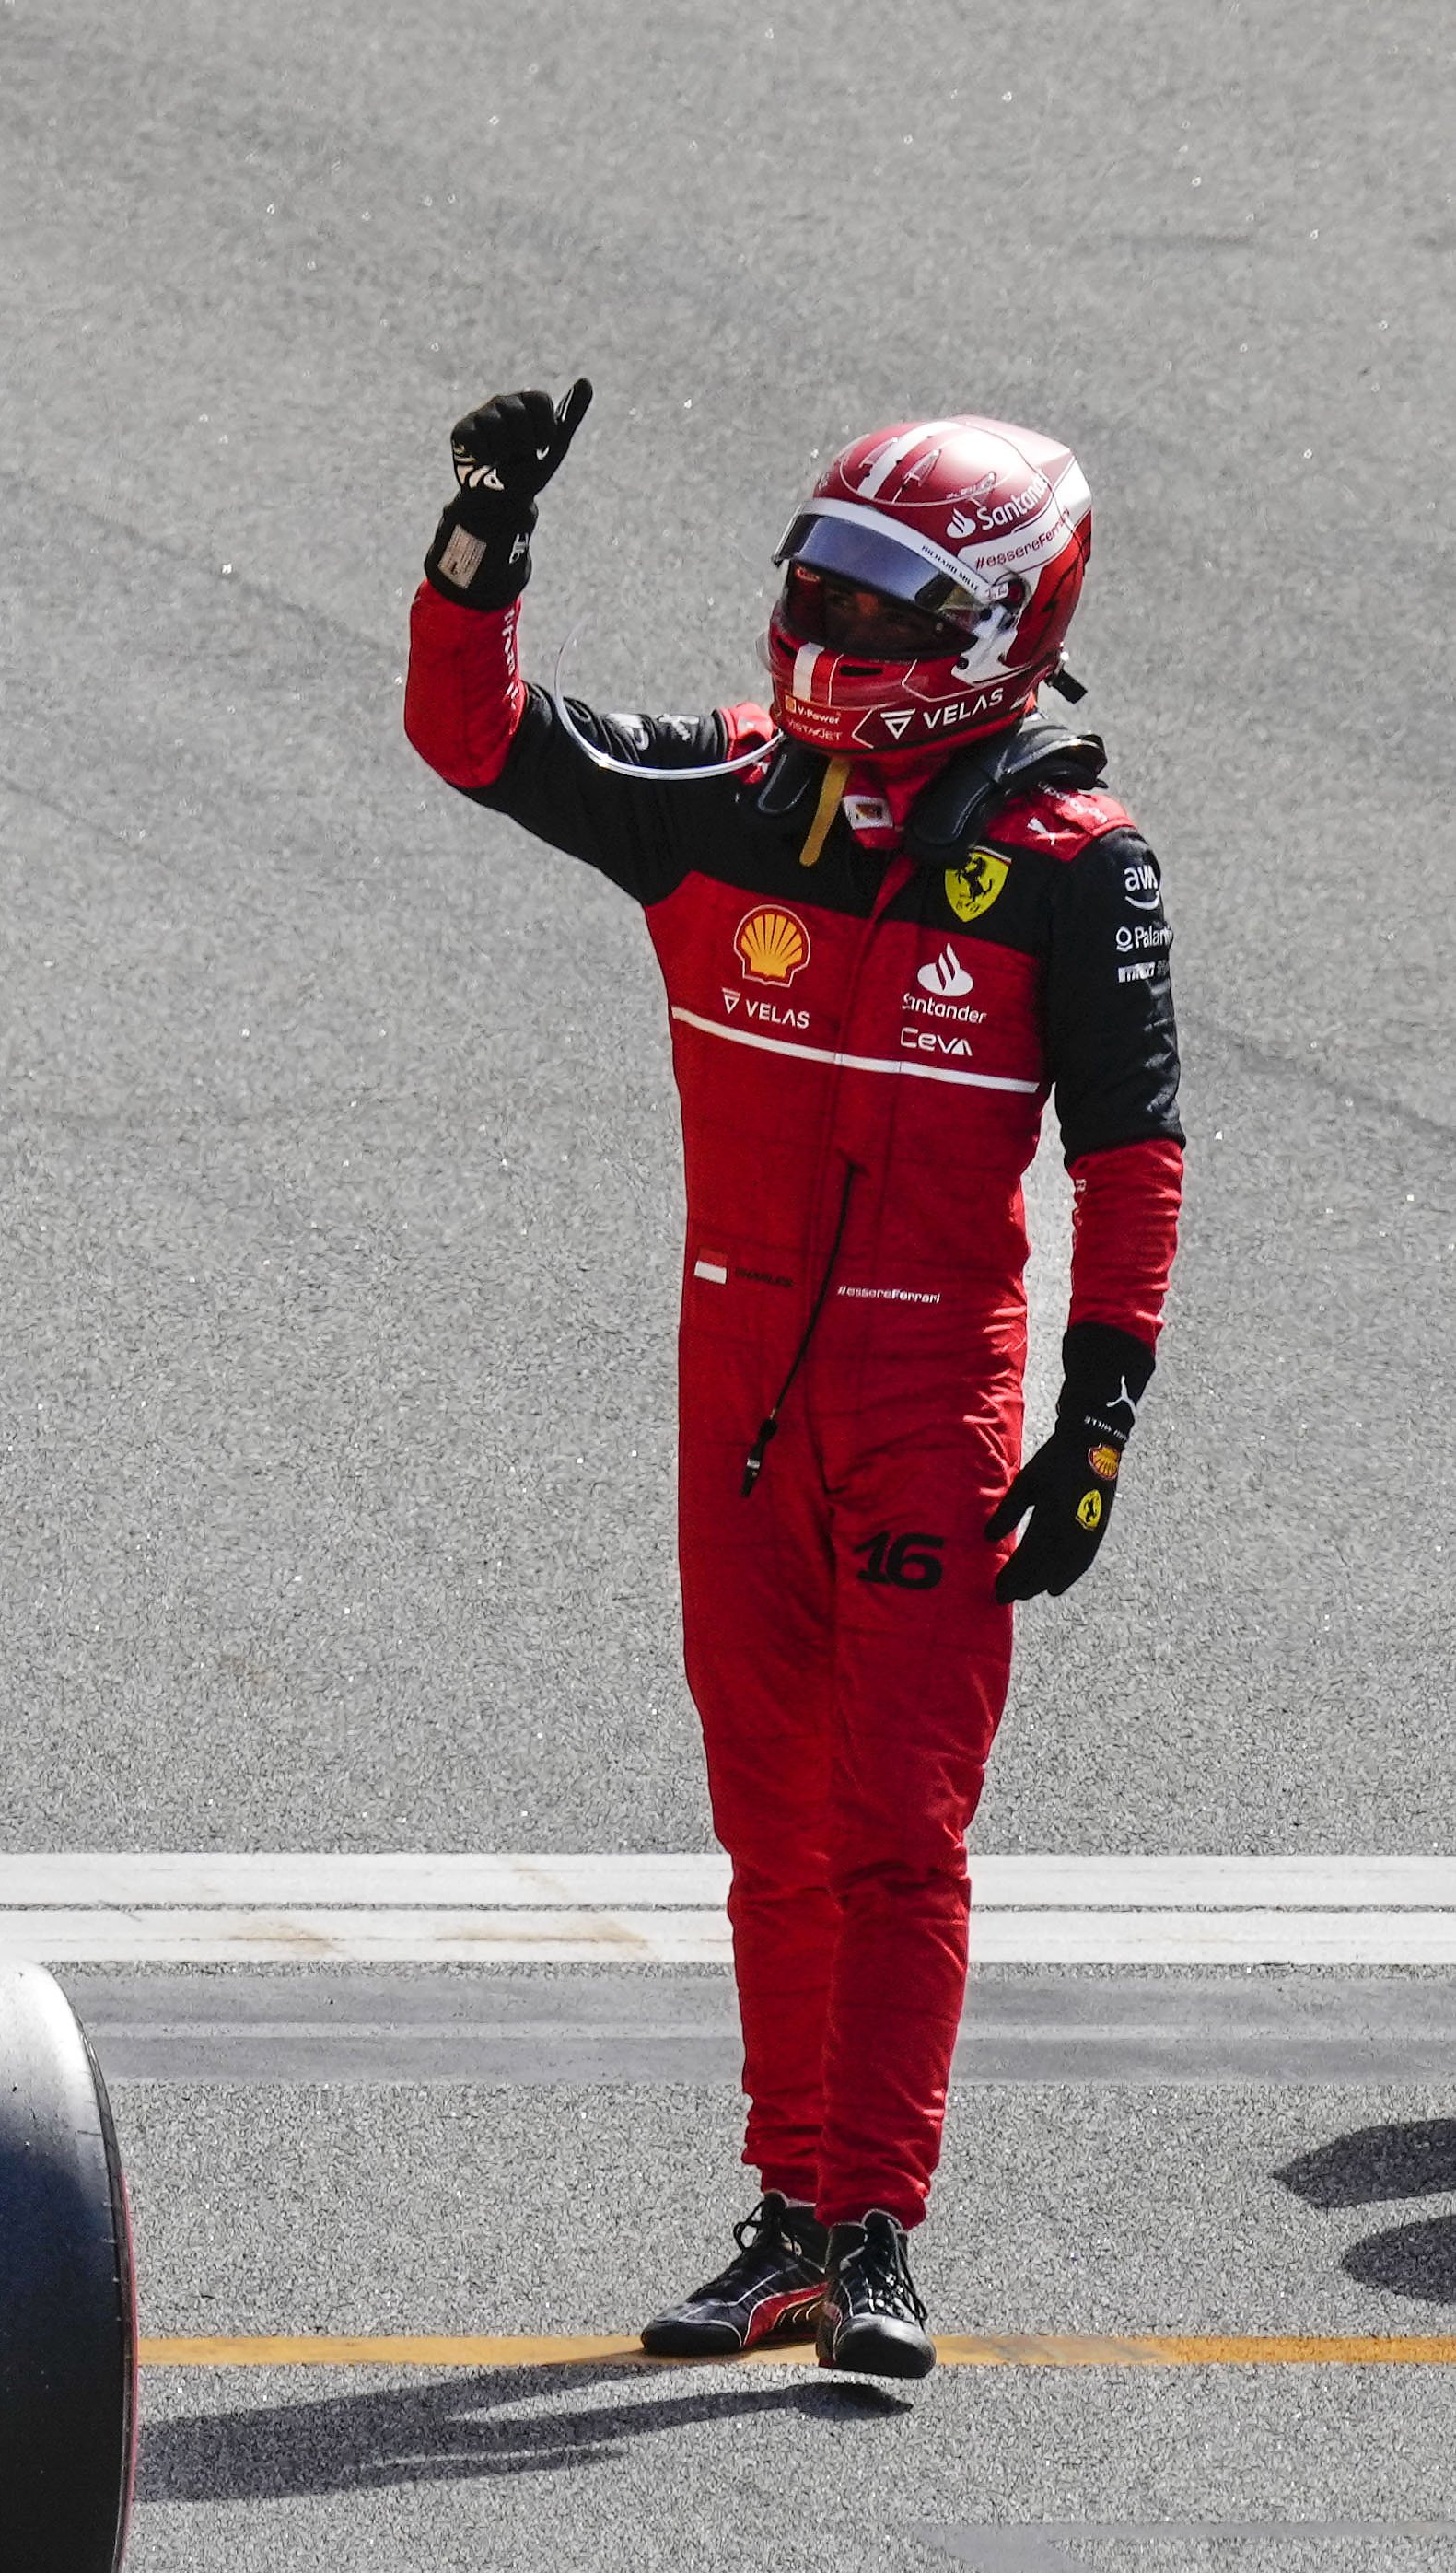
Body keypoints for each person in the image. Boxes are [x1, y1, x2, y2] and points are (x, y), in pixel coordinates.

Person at [403, 386, 1185, 2379]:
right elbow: (470, 732)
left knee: (896, 1828)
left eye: (886, 600)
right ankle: (778, 2222)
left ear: (1004, 624)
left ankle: (877, 2232)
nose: (835, 625)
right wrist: (481, 543)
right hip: (736, 1389)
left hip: (938, 1405)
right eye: (822, 582)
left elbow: (1133, 1153)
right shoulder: (730, 799)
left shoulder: (1075, 864)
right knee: (769, 1818)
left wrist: (1101, 1413)